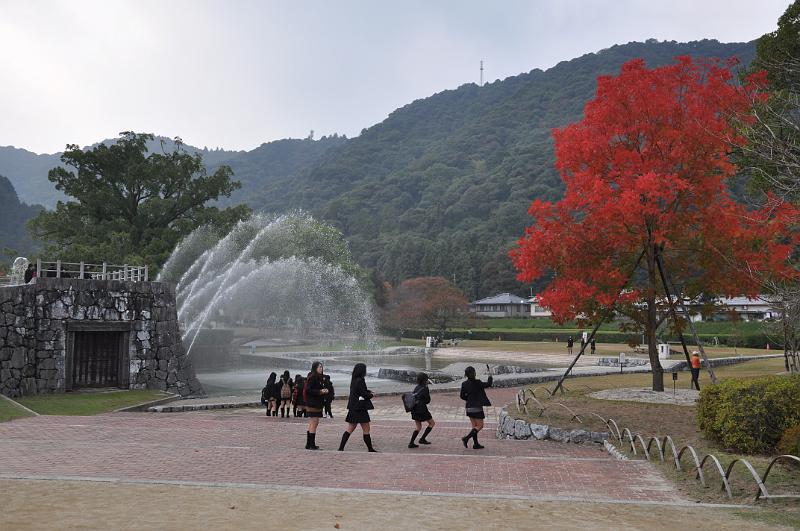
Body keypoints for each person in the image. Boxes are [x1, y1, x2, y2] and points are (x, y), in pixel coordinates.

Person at [338, 363, 377, 452]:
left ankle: (341, 448)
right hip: (360, 408)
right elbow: (363, 394)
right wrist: (371, 395)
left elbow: (358, 391)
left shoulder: (354, 380)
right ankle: (370, 449)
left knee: (350, 429)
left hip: (353, 408)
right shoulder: (360, 380)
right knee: (366, 429)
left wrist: (367, 391)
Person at [460, 365, 492, 450]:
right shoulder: (478, 382)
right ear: (474, 373)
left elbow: (462, 396)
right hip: (477, 408)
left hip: (468, 407)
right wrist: (490, 375)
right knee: (480, 426)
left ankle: (476, 444)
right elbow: (489, 384)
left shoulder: (464, 384)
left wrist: (469, 399)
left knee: (474, 426)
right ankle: (466, 438)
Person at [304, 361, 329, 450]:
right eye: (319, 367)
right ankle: (312, 444)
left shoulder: (318, 377)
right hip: (313, 403)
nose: (321, 369)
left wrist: (323, 390)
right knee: (314, 422)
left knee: (313, 422)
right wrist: (320, 391)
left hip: (316, 403)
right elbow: (308, 390)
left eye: (322, 367)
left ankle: (309, 444)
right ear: (315, 368)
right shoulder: (313, 377)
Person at [408, 372, 435, 448]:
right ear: (425, 380)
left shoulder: (416, 387)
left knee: (418, 427)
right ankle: (422, 439)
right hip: (422, 410)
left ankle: (411, 443)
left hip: (414, 409)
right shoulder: (425, 388)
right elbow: (427, 400)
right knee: (432, 423)